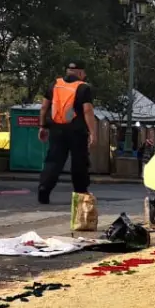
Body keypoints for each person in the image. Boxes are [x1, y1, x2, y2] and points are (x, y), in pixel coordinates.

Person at [37, 62, 97, 204]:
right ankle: (80, 192)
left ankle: (44, 188)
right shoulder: (83, 88)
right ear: (80, 73)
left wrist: (42, 126)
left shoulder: (54, 85)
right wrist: (93, 132)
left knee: (53, 160)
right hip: (77, 131)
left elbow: (44, 107)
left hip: (56, 130)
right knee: (79, 162)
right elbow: (87, 110)